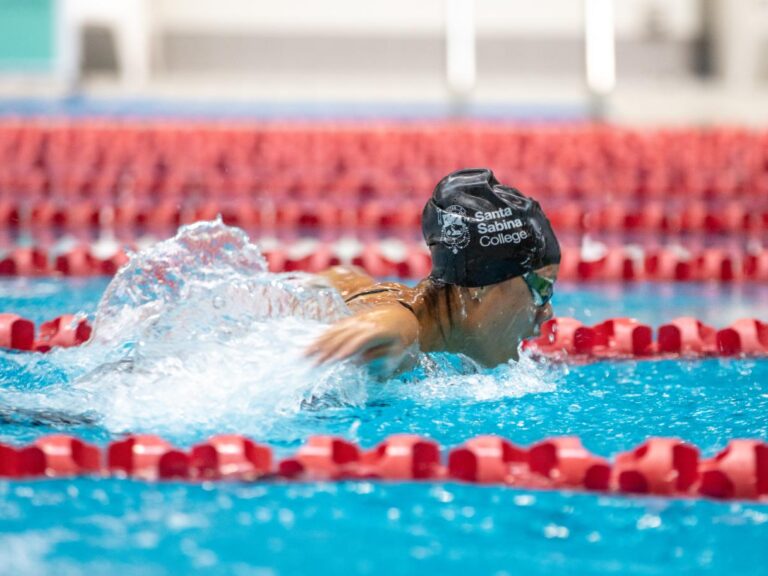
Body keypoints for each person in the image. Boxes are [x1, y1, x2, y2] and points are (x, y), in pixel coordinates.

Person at [306, 168, 561, 374]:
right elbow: (391, 324)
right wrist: (391, 328)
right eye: (541, 288)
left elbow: (346, 278)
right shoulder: (404, 333)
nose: (547, 311)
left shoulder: (440, 353)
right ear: (480, 287)